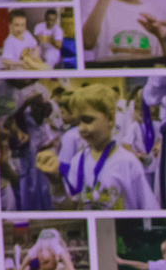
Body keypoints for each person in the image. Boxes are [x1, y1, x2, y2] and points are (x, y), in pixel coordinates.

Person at [51, 82, 158, 211]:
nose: (82, 129)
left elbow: (150, 208)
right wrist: (57, 185)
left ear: (110, 119)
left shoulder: (128, 163)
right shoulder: (78, 161)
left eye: (88, 120)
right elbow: (70, 209)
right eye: (78, 122)